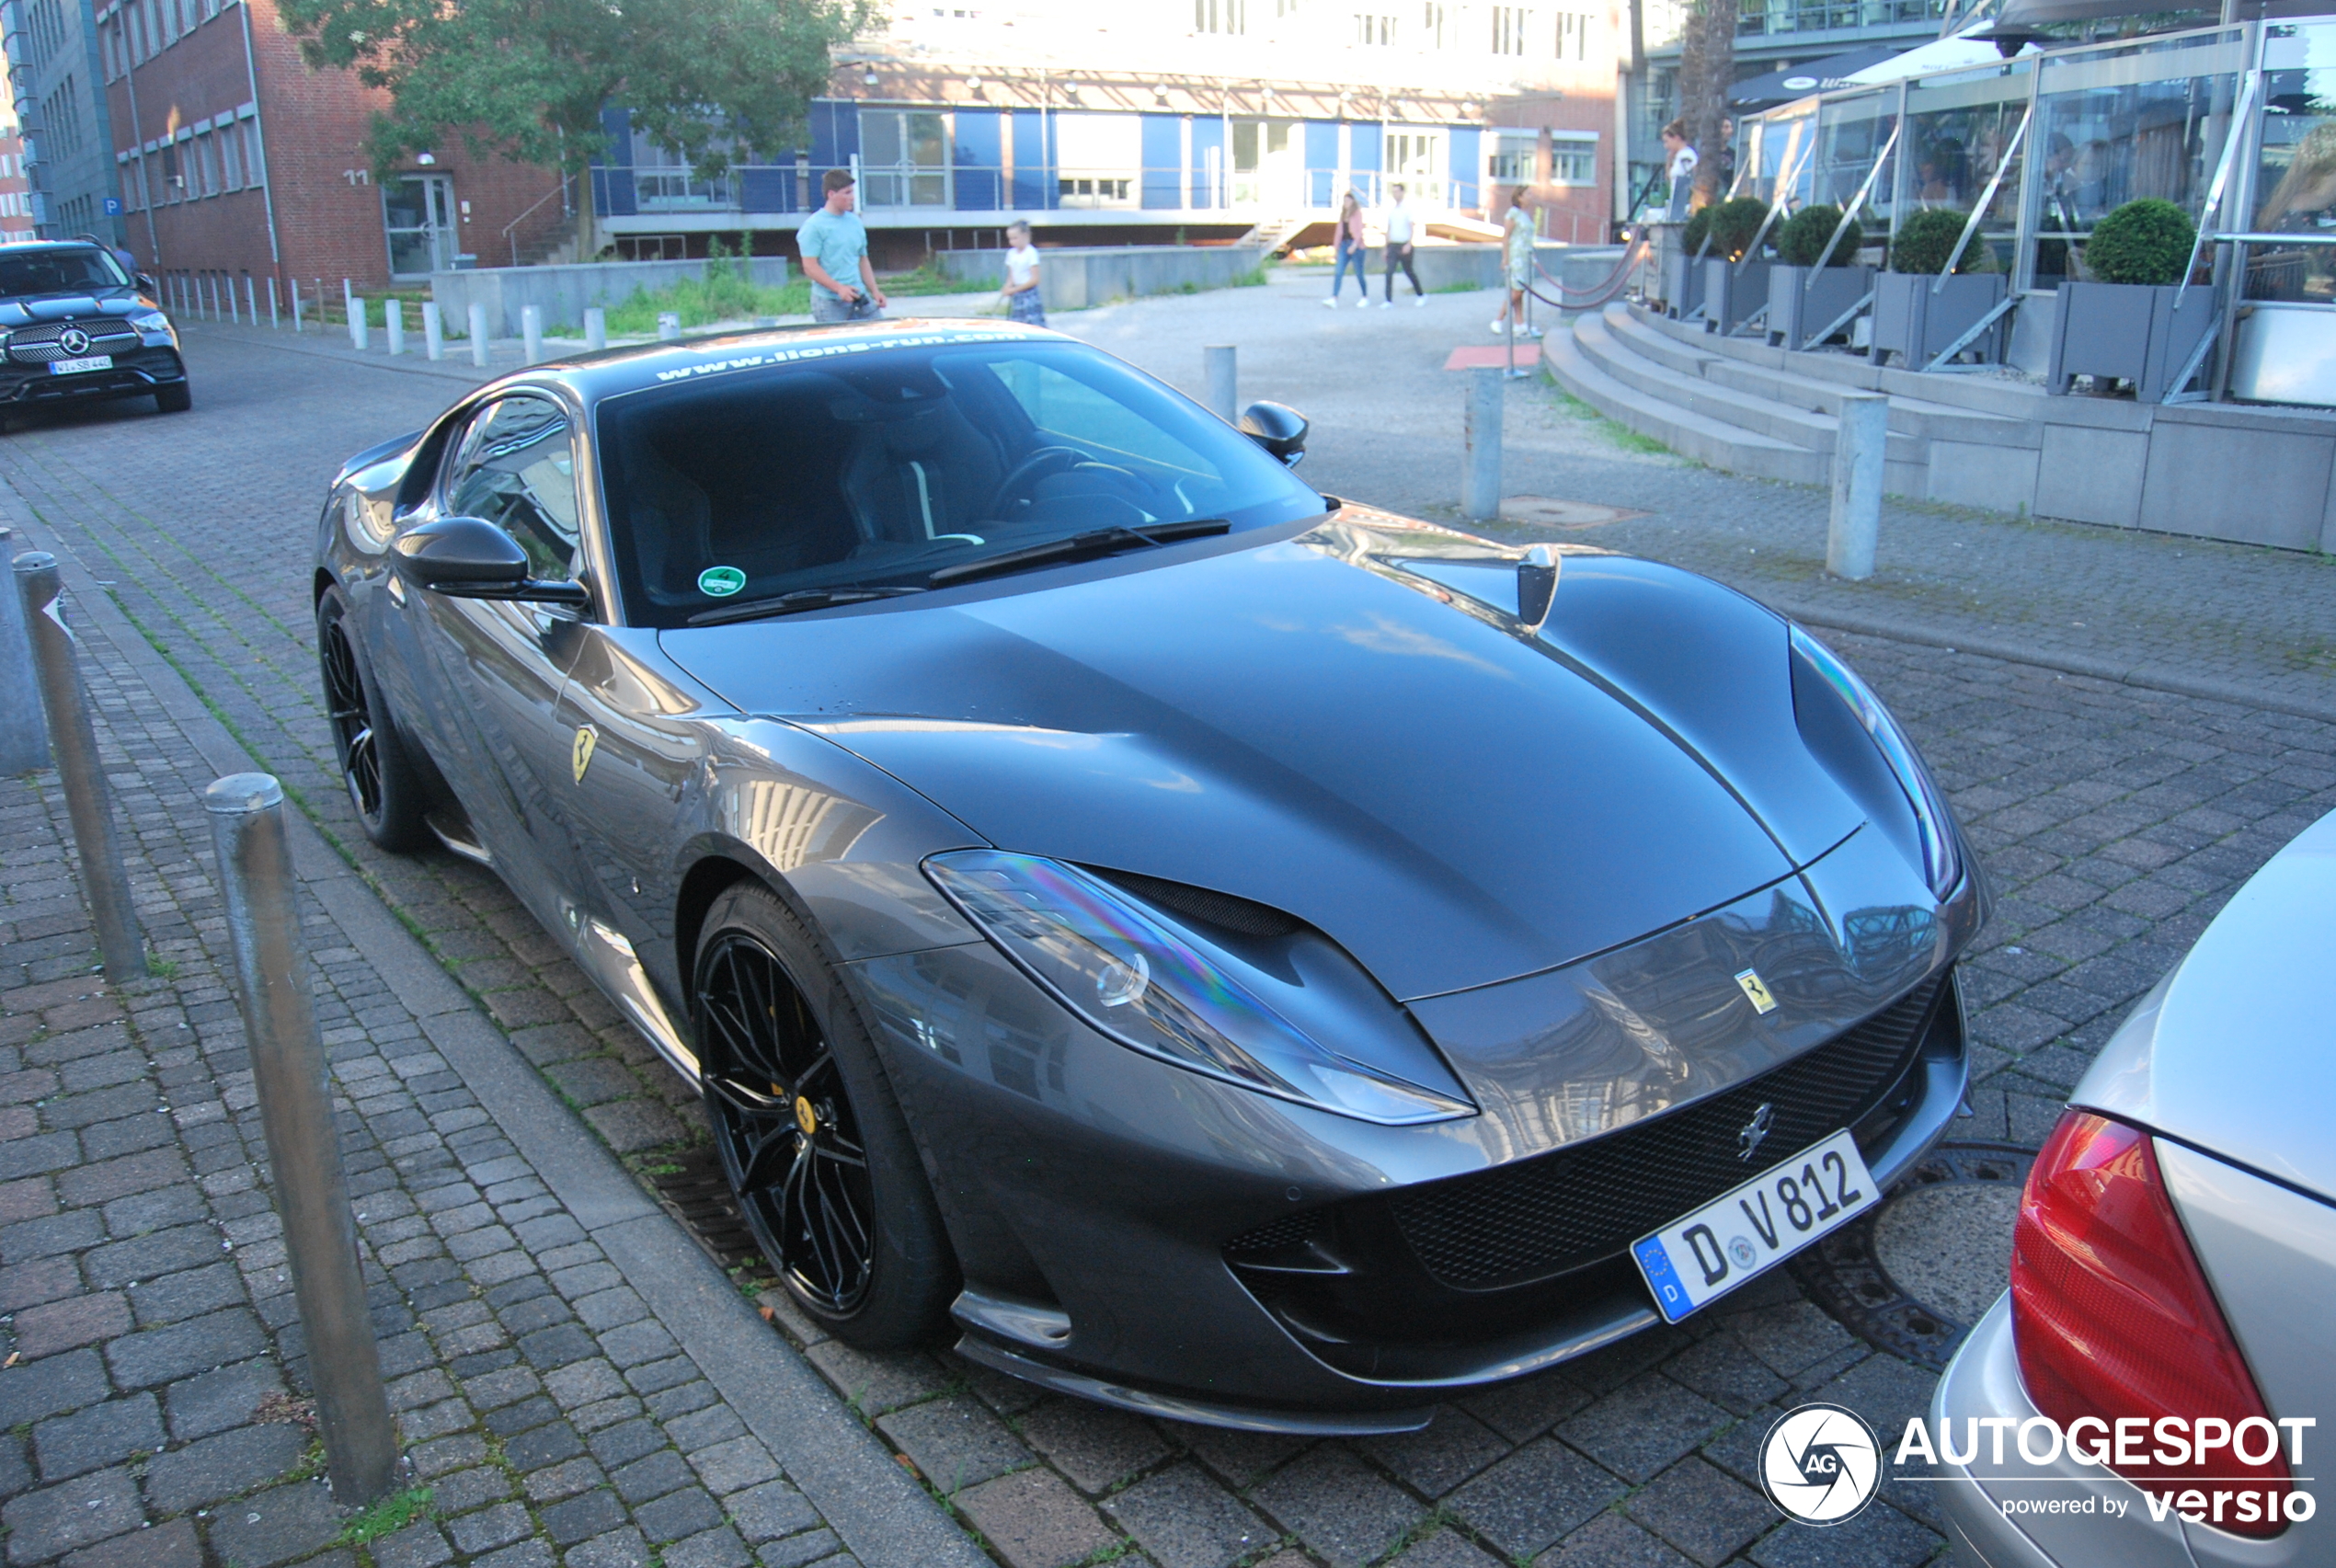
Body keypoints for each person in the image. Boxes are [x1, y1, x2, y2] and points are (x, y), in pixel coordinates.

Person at [797, 169, 887, 325]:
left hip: (859, 296)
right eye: (847, 193)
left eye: (852, 192)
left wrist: (875, 290)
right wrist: (839, 288)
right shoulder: (814, 226)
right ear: (831, 194)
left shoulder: (855, 222)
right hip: (830, 302)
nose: (852, 198)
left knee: (880, 332)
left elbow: (862, 260)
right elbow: (810, 267)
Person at [1492, 187, 1540, 338]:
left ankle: (1519, 324)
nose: (1531, 197)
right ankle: (1498, 319)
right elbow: (1506, 236)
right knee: (1517, 290)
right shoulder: (1513, 214)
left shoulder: (1524, 215)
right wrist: (1505, 258)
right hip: (1516, 256)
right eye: (1528, 194)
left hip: (1525, 256)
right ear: (1520, 197)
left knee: (1520, 290)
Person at [1381, 181, 1426, 307]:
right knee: (1389, 271)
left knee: (1408, 271)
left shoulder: (1408, 209)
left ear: (1402, 192)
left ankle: (1420, 294)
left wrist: (1409, 243)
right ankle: (1388, 300)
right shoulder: (1392, 211)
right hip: (1393, 245)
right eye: (1393, 192)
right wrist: (1385, 247)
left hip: (1404, 244)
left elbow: (1412, 227)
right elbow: (1389, 229)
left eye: (1397, 191)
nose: (1395, 194)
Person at [1325, 189, 1368, 306]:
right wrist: (1336, 248)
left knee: (1359, 273)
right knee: (1338, 271)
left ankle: (1365, 296)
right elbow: (1339, 232)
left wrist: (1354, 245)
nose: (1346, 203)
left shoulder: (1357, 213)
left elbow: (1359, 231)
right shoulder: (1343, 215)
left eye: (1348, 200)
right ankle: (1334, 298)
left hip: (1356, 246)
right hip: (1344, 245)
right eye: (1345, 201)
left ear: (1353, 201)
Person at [1000, 220, 1046, 326]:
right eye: (1010, 239)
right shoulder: (1011, 253)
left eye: (1015, 238)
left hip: (1029, 294)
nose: (1012, 242)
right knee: (1017, 324)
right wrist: (1007, 288)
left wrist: (1015, 289)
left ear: (1025, 236)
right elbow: (1012, 275)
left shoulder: (1031, 253)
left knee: (1033, 324)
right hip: (1017, 294)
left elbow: (1035, 279)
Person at [1661, 120, 1697, 220]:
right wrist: (1669, 161)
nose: (1666, 146)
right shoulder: (1678, 156)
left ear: (1676, 138)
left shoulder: (1687, 156)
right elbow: (1669, 178)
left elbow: (1693, 177)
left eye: (1667, 141)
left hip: (1684, 207)